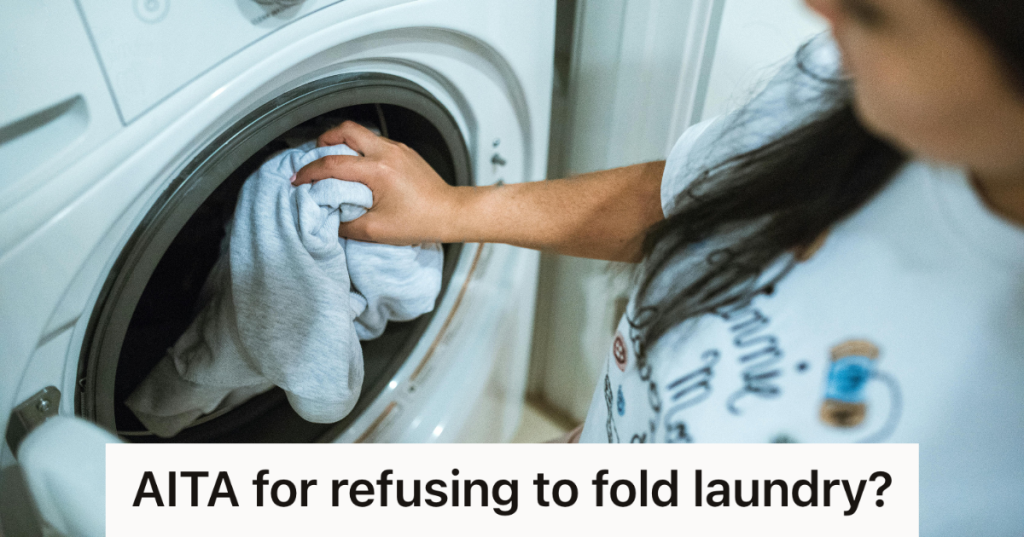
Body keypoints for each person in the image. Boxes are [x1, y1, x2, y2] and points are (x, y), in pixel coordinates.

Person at [293, 0, 1023, 532]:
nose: (816, 8)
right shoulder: (838, 90)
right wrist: (452, 209)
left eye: (872, 12)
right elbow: (682, 197)